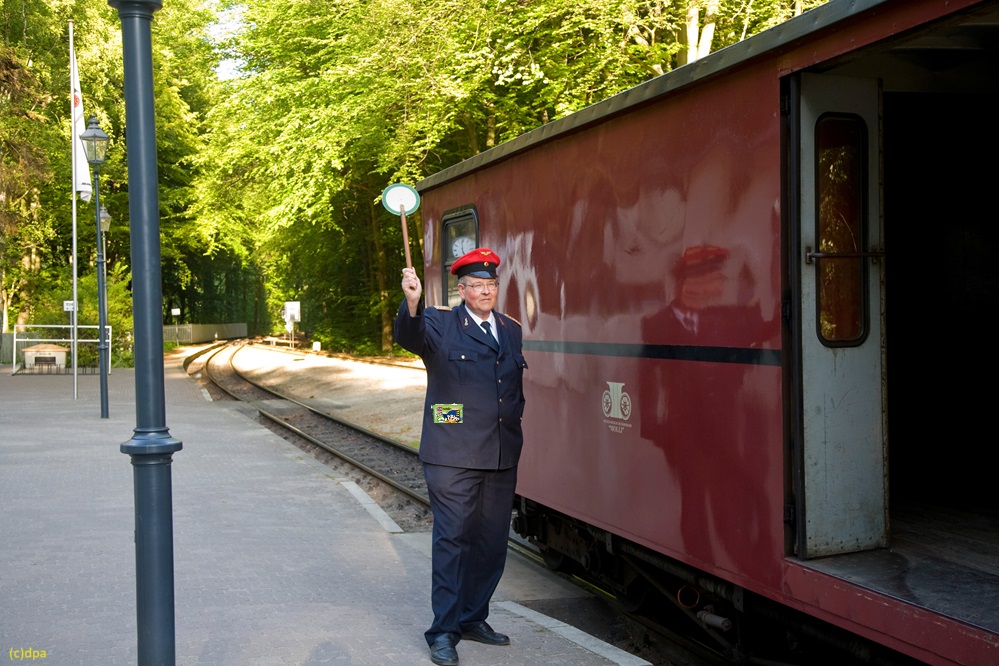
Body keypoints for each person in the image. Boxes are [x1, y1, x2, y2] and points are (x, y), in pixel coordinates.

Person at [394, 248, 528, 666]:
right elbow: (409, 335)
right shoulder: (439, 322)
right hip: (452, 454)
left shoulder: (509, 328)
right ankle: (443, 631)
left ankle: (472, 617)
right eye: (476, 285)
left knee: (490, 544)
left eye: (491, 285)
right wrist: (412, 301)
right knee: (453, 542)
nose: (485, 291)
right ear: (462, 289)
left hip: (501, 452)